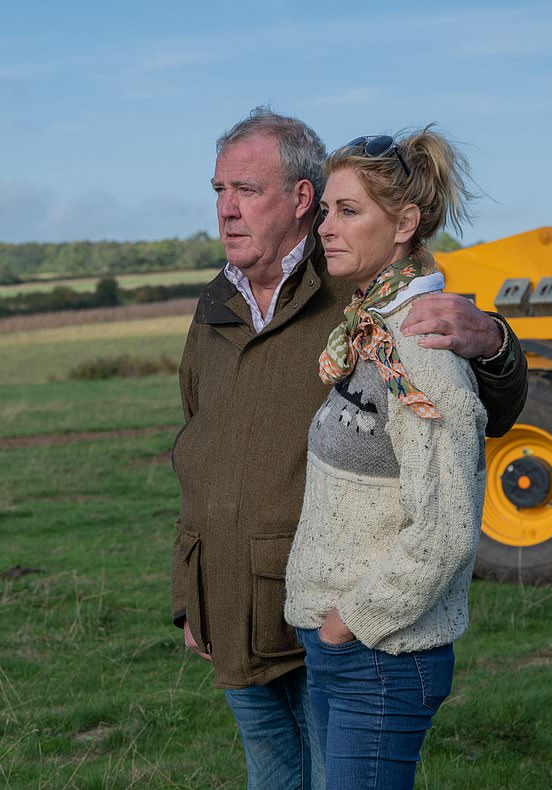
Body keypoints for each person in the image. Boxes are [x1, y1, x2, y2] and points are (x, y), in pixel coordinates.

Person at [171, 108, 527, 790]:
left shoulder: (364, 293)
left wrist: (494, 341)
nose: (226, 209)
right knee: (271, 777)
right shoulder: (215, 305)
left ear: (298, 199)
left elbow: (483, 414)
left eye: (245, 190)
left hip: (335, 621)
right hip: (239, 607)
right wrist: (193, 589)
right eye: (218, 191)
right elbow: (197, 451)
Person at [284, 129, 487, 789]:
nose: (325, 229)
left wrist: (353, 621)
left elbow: (449, 523)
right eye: (325, 212)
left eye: (348, 211)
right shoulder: (371, 330)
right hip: (340, 647)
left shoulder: (422, 346)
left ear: (403, 223)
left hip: (381, 653)